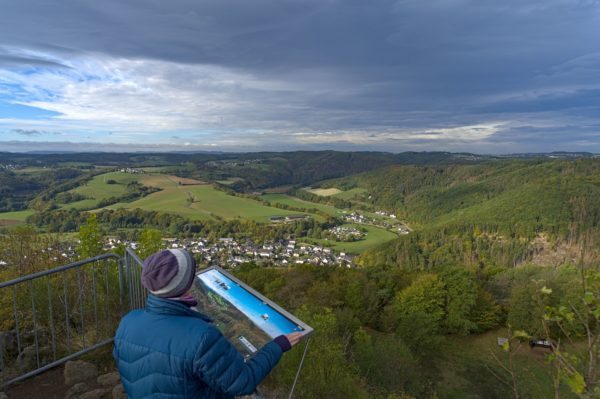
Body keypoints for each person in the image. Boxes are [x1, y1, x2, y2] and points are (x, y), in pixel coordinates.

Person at [113, 249, 302, 398]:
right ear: (186, 284)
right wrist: (277, 346)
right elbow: (242, 382)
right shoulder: (202, 336)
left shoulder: (128, 321)